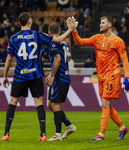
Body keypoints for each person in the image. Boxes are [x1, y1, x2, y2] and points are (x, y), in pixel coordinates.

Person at [0, 12, 76, 141]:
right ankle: (43, 135)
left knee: (13, 102)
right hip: (36, 74)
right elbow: (57, 39)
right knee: (39, 103)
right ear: (29, 22)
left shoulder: (13, 38)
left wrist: (6, 75)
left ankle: (6, 134)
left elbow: (8, 59)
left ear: (19, 23)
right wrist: (69, 29)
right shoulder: (38, 34)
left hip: (20, 75)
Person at [67, 16, 129, 140]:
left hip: (112, 74)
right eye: (100, 22)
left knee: (105, 102)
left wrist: (127, 77)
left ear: (110, 25)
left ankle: (101, 134)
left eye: (103, 23)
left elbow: (125, 60)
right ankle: (123, 128)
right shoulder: (97, 38)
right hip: (101, 76)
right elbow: (80, 42)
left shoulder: (117, 41)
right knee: (106, 104)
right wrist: (74, 31)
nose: (100, 25)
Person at [46, 23, 76, 141]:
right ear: (59, 32)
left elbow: (58, 59)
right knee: (50, 105)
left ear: (49, 33)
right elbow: (65, 59)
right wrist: (51, 74)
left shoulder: (53, 42)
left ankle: (57, 134)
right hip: (62, 76)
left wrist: (52, 75)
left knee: (55, 105)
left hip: (60, 78)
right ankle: (68, 125)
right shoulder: (64, 43)